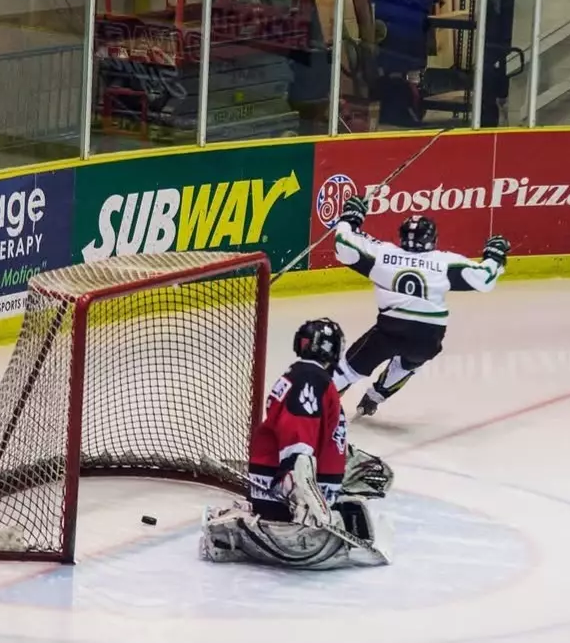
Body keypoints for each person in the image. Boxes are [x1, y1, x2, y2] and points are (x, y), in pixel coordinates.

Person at [199, 318, 392, 570]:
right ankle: (260, 526)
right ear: (334, 350)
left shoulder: (304, 377)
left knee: (376, 475)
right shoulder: (310, 379)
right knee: (324, 530)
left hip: (293, 495)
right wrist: (310, 501)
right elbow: (298, 452)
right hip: (290, 509)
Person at [330, 195, 509, 417]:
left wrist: (350, 219)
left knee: (349, 369)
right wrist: (495, 256)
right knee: (407, 364)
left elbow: (343, 246)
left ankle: (318, 407)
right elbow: (485, 280)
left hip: (390, 330)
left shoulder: (383, 254)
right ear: (432, 238)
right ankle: (375, 397)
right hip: (428, 336)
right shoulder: (444, 262)